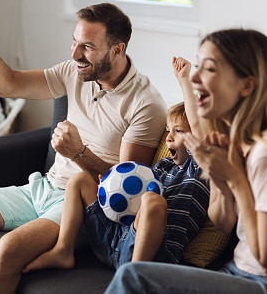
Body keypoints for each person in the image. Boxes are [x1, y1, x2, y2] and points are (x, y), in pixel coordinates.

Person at [0, 3, 167, 294]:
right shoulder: (75, 72)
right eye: (74, 42)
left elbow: (127, 192)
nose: (75, 54)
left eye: (87, 46)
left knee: (6, 251)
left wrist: (79, 154)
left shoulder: (146, 104)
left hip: (82, 208)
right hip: (42, 187)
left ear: (117, 49)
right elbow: (7, 84)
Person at [104, 29, 267, 294]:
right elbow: (223, 221)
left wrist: (237, 180)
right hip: (240, 271)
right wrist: (222, 182)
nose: (195, 77)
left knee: (134, 277)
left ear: (247, 85)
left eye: (210, 69)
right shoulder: (230, 143)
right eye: (198, 66)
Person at [22, 57, 210, 273]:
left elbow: (198, 127)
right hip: (115, 239)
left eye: (179, 131)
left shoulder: (201, 168)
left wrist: (184, 80)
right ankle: (63, 250)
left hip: (155, 254)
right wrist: (111, 186)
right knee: (81, 180)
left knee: (153, 201)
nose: (168, 138)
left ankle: (133, 278)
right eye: (168, 130)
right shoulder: (163, 166)